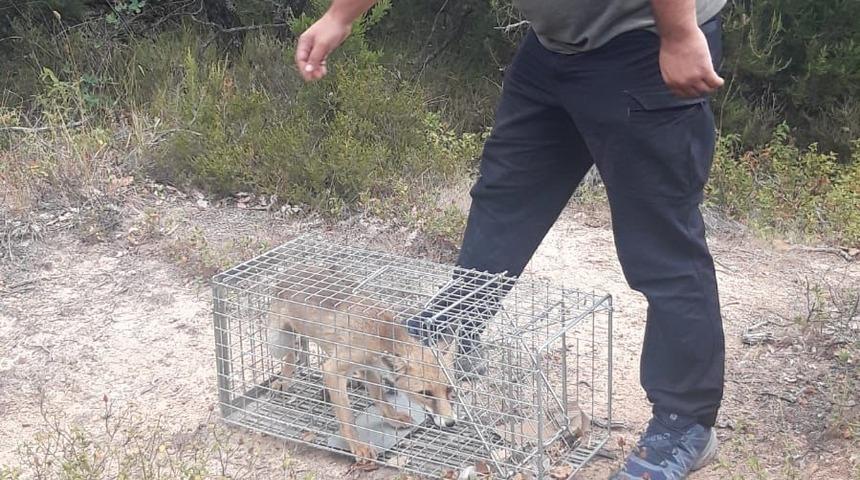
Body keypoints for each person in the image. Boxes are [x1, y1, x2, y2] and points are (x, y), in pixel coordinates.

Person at [294, 0, 727, 478]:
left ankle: (685, 421)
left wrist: (681, 32)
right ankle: (447, 334)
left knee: (659, 240)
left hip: (645, 40)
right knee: (503, 202)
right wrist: (341, 15)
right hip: (553, 47)